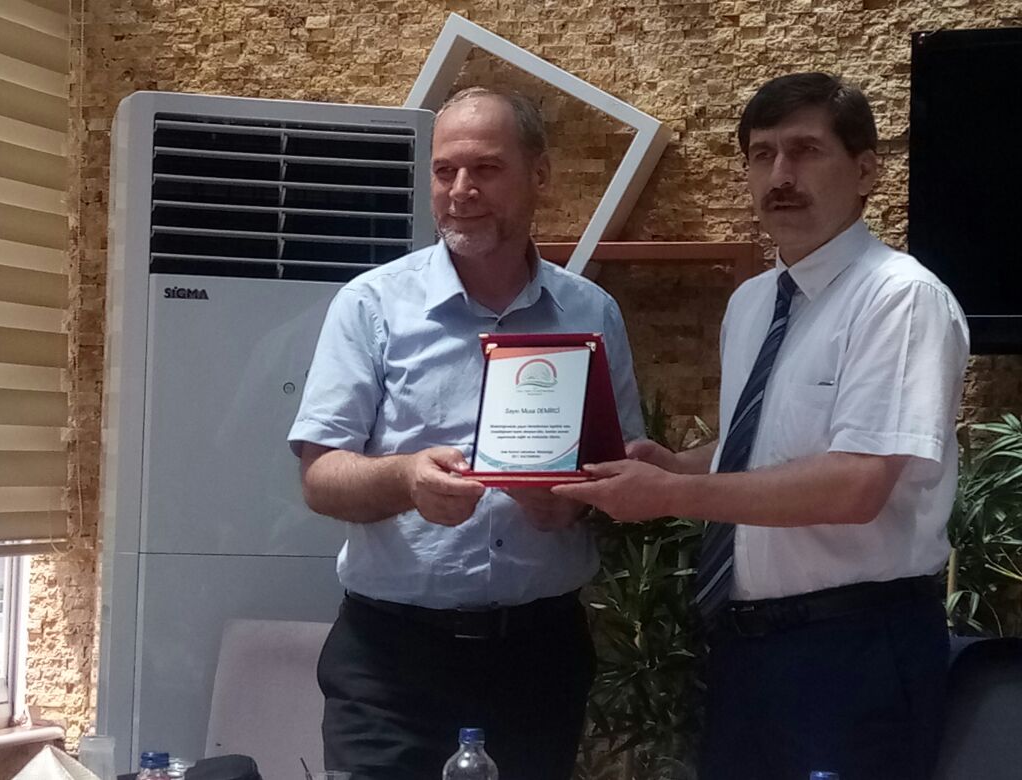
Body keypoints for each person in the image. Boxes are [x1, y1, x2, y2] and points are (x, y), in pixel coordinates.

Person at [555, 72, 969, 780]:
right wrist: (680, 464)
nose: (780, 176)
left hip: (857, 648)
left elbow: (855, 484)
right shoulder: (752, 302)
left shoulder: (900, 299)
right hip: (747, 649)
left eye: (805, 151)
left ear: (865, 171)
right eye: (762, 154)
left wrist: (671, 495)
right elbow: (771, 444)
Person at [288, 86, 645, 780]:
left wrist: (573, 504)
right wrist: (405, 479)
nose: (461, 191)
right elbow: (319, 476)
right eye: (445, 170)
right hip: (390, 661)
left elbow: (623, 472)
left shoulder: (591, 312)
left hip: (537, 656)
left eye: (485, 169)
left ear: (539, 175)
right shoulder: (370, 305)